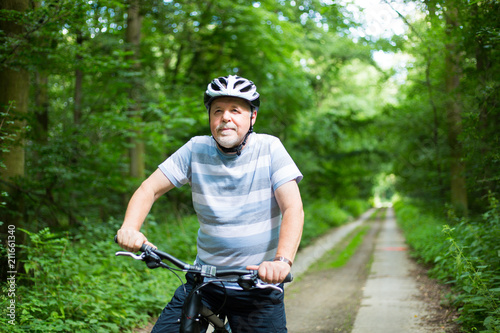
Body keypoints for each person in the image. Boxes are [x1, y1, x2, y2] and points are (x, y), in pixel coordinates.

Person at [116, 75, 304, 332]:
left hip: (257, 285)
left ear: (252, 117)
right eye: (218, 111)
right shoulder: (195, 149)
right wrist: (130, 227)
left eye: (235, 110)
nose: (225, 117)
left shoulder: (270, 149)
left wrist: (282, 261)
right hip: (204, 282)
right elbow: (149, 189)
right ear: (210, 118)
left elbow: (292, 208)